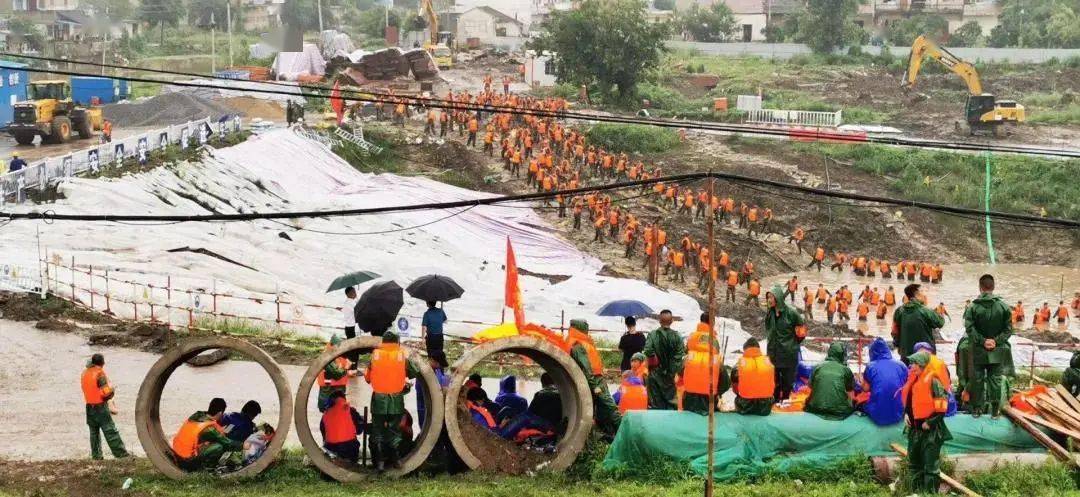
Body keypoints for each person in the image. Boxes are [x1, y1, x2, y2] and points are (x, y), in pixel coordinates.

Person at [365, 331, 419, 471]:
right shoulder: (402, 356)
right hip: (396, 400)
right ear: (396, 342)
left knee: (378, 431)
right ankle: (396, 459)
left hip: (378, 401)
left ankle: (380, 463)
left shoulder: (374, 356)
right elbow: (414, 372)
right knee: (394, 430)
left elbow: (367, 378)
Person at [903, 351, 952, 495]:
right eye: (911, 364)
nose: (912, 367)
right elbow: (909, 403)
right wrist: (906, 414)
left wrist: (930, 422)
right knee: (914, 464)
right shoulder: (914, 381)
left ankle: (929, 493)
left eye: (915, 364)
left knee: (931, 467)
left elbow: (942, 408)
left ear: (923, 365)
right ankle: (914, 492)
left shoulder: (934, 381)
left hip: (931, 431)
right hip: (915, 430)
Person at [965, 274, 1012, 418]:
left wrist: (982, 341)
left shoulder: (972, 307)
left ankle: (977, 410)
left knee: (977, 379)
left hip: (979, 350)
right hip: (997, 350)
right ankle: (995, 411)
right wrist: (995, 341)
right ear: (993, 287)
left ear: (980, 287)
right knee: (995, 380)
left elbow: (969, 328)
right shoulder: (1004, 306)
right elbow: (1009, 329)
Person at [567, 319, 621, 437]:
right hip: (595, 381)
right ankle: (623, 432)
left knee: (599, 409)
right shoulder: (579, 345)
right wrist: (595, 385)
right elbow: (586, 368)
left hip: (593, 379)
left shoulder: (577, 343)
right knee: (610, 407)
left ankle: (604, 434)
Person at [172, 398, 241, 471]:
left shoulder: (197, 416)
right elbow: (227, 443)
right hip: (186, 461)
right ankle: (205, 468)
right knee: (219, 446)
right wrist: (243, 445)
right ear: (220, 413)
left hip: (176, 454)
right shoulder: (209, 428)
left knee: (209, 442)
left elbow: (200, 434)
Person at [81, 353, 128, 460]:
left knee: (94, 433)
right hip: (100, 407)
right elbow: (105, 393)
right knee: (110, 431)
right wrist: (112, 390)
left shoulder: (85, 373)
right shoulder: (99, 374)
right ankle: (122, 455)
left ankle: (96, 456)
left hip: (89, 406)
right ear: (102, 363)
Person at [681, 314, 728, 415]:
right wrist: (717, 392)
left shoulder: (691, 337)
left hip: (689, 397)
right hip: (709, 399)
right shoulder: (714, 342)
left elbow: (681, 370)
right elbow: (725, 383)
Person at [765, 286, 806, 401]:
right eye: (768, 297)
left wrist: (792, 345)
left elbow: (801, 333)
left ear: (778, 298)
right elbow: (768, 331)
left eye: (771, 297)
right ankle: (776, 400)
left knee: (788, 382)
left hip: (788, 355)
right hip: (773, 354)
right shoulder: (770, 314)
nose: (769, 300)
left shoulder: (791, 314)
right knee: (775, 382)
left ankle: (786, 399)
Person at [643, 310, 687, 410]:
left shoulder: (653, 334)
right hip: (671, 376)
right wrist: (672, 370)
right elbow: (680, 355)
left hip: (655, 374)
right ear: (671, 321)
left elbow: (648, 350)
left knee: (656, 404)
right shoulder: (677, 336)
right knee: (672, 403)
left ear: (659, 321)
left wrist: (654, 357)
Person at [857, 338, 907, 426]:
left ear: (872, 352)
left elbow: (865, 389)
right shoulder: (901, 365)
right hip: (899, 414)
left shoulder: (871, 366)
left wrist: (860, 382)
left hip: (877, 415)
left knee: (859, 404)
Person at [892, 284, 944, 360]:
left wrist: (898, 345)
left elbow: (894, 331)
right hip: (924, 355)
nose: (924, 294)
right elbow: (940, 323)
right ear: (917, 294)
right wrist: (940, 313)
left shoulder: (899, 311)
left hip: (905, 354)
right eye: (922, 291)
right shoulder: (925, 311)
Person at [804, 342, 855, 420]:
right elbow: (851, 394)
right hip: (839, 411)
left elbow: (811, 388)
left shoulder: (818, 367)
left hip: (816, 408)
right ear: (842, 354)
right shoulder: (846, 370)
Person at [731, 338, 775, 415]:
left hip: (744, 407)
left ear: (745, 349)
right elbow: (773, 384)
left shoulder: (739, 365)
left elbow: (735, 389)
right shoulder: (768, 363)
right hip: (766, 408)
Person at [320, 391, 365, 464]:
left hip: (330, 449)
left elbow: (323, 432)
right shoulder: (349, 410)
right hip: (348, 449)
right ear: (344, 399)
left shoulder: (325, 413)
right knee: (353, 445)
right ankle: (352, 462)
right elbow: (359, 431)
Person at [317, 334, 354, 412]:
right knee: (328, 409)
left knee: (339, 409)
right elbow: (336, 373)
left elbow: (339, 369)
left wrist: (347, 372)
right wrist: (347, 367)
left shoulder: (336, 353)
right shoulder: (327, 355)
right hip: (329, 387)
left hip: (338, 386)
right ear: (333, 345)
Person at [342, 287, 360, 368]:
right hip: (352, 328)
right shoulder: (351, 303)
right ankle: (353, 368)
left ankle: (351, 367)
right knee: (354, 350)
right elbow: (357, 312)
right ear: (349, 294)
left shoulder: (347, 302)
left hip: (348, 328)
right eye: (353, 292)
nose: (355, 293)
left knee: (352, 349)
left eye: (355, 291)